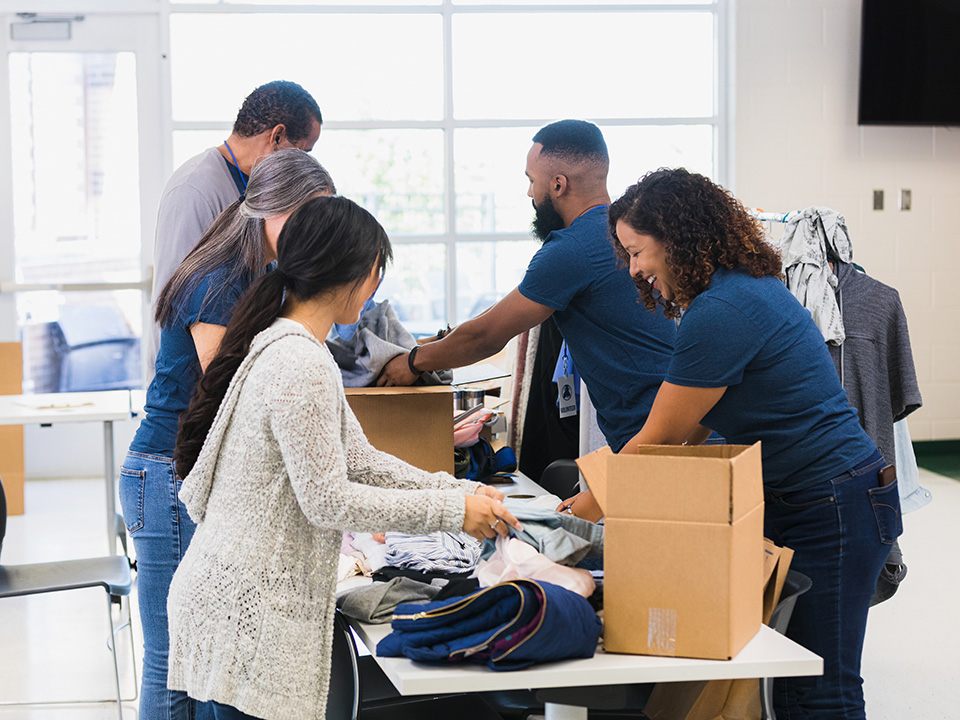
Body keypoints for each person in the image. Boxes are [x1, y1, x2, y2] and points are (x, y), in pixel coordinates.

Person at [166, 195, 520, 720]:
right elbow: (328, 501)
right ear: (360, 272)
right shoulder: (299, 360)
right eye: (379, 272)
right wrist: (452, 511)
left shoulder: (295, 347)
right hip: (245, 613)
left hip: (234, 604)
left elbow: (361, 461)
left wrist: (461, 490)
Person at [597, 167, 900, 720]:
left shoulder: (723, 310)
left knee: (820, 689)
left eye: (637, 253)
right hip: (818, 498)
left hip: (832, 505)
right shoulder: (736, 291)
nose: (635, 270)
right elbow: (691, 428)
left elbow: (662, 436)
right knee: (784, 683)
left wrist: (580, 507)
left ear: (677, 239)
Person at [120, 149, 335, 720]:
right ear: (273, 210)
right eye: (310, 217)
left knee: (198, 660)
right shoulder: (219, 278)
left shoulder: (257, 274)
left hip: (181, 469)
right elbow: (227, 392)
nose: (317, 234)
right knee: (174, 663)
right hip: (166, 473)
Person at [377, 120, 676, 454]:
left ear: (558, 184)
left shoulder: (572, 248)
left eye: (532, 181)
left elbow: (486, 336)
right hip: (675, 425)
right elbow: (501, 311)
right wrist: (435, 340)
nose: (530, 193)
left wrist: (413, 362)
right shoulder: (621, 232)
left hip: (657, 437)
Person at [149, 80, 323, 363]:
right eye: (302, 152)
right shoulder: (194, 189)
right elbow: (175, 301)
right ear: (278, 136)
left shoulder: (259, 187)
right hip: (194, 376)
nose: (301, 166)